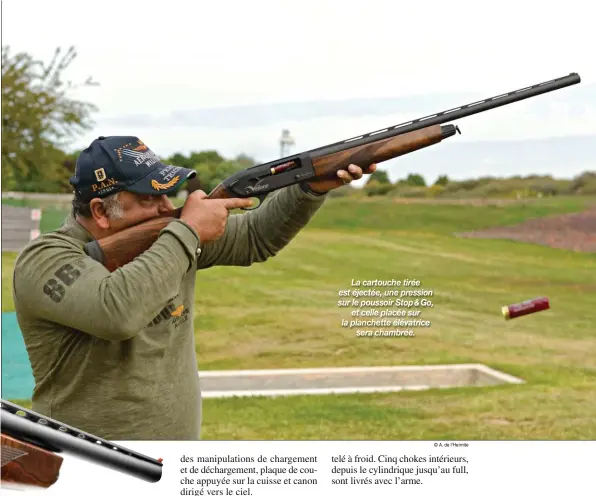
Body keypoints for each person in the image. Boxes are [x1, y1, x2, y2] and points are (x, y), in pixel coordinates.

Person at [12, 135, 376, 441]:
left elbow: (255, 237)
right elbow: (116, 312)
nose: (167, 208)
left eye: (167, 195)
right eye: (149, 199)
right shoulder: (45, 259)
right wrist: (188, 230)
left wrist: (310, 187)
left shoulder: (166, 240)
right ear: (101, 211)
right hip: (87, 464)